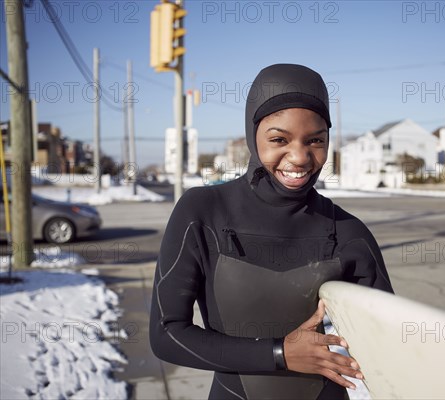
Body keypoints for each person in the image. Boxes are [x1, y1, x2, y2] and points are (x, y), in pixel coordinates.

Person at [149, 63, 394, 400]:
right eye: (279, 139)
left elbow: (387, 343)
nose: (299, 157)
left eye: (316, 140)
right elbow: (166, 334)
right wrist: (280, 354)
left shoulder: (349, 232)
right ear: (254, 136)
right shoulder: (202, 211)